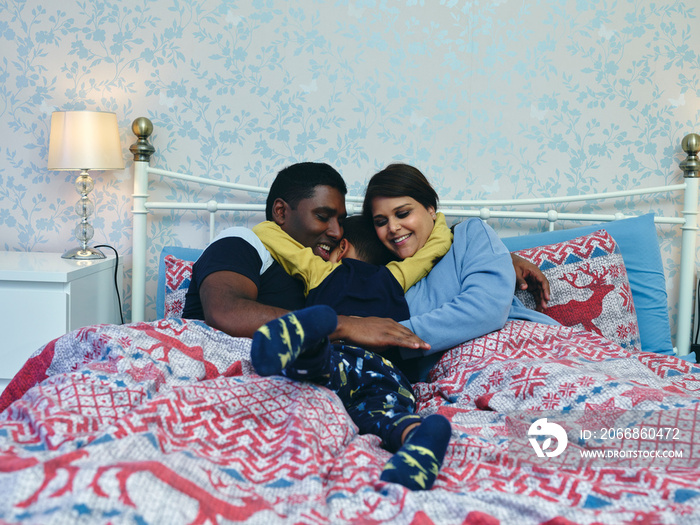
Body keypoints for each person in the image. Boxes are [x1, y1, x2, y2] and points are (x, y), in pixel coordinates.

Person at [249, 214, 454, 490]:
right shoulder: (396, 275)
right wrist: (436, 217)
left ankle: (307, 336)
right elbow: (438, 245)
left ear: (342, 248)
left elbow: (266, 232)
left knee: (320, 365)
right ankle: (417, 436)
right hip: (389, 371)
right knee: (387, 413)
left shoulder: (321, 270)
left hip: (343, 356)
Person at [362, 163, 558, 382]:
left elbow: (486, 309)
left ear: (430, 209)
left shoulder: (469, 234)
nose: (393, 227)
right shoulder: (385, 279)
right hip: (457, 375)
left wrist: (391, 336)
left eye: (403, 213)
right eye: (381, 222)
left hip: (529, 347)